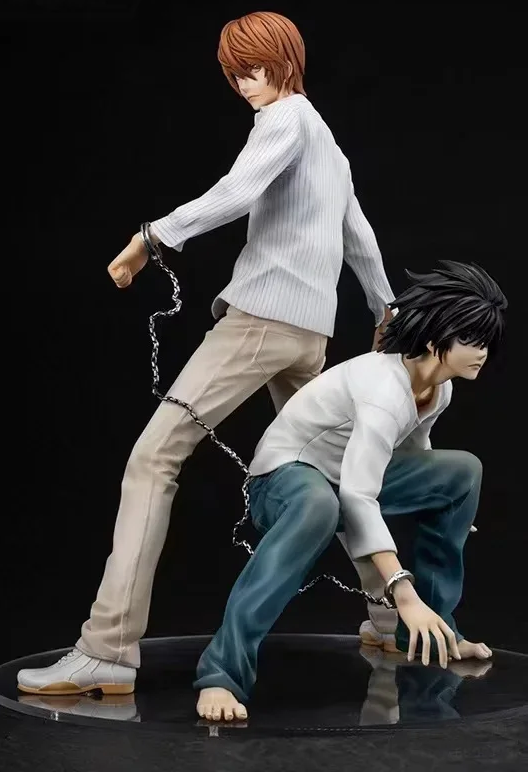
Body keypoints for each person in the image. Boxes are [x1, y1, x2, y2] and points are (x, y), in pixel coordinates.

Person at [17, 11, 396, 696]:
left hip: (260, 323)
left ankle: (107, 648)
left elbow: (236, 192)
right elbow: (358, 234)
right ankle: (390, 619)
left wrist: (153, 237)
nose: (246, 83)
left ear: (285, 61)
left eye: (256, 68)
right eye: (236, 73)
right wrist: (384, 309)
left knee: (153, 458)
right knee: (336, 475)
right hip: (309, 335)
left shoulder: (284, 120)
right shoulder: (327, 142)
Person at [192, 260, 506, 722]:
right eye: (472, 341)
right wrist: (402, 592)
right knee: (319, 505)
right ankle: (221, 674)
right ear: (435, 341)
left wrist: (444, 499)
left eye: (487, 342)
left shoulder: (438, 389)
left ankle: (431, 634)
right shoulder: (384, 391)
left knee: (462, 473)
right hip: (284, 480)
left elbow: (412, 450)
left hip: (346, 479)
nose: (482, 353)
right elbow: (358, 496)